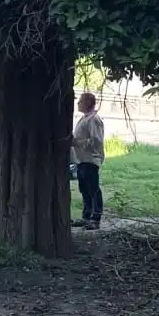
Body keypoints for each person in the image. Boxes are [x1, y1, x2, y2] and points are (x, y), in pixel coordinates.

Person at [71, 91, 105, 230]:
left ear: (88, 103)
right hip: (81, 159)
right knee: (84, 189)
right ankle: (86, 216)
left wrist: (77, 142)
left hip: (91, 159)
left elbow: (96, 140)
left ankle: (95, 218)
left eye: (81, 101)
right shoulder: (84, 118)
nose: (78, 103)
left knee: (93, 189)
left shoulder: (94, 119)